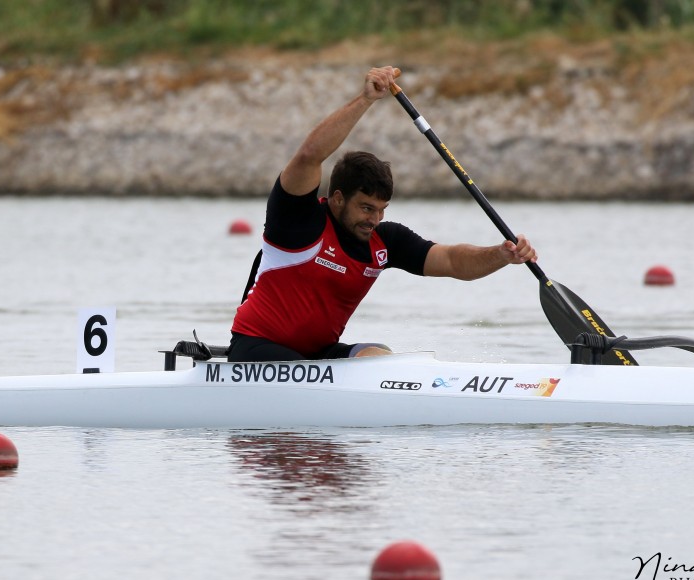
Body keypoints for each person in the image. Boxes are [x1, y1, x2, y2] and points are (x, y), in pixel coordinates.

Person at [228, 66, 537, 362]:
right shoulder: (298, 220)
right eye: (366, 208)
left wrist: (502, 254)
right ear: (337, 199)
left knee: (380, 359)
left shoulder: (385, 242)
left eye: (381, 210)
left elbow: (454, 261)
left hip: (317, 357)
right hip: (257, 349)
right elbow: (309, 155)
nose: (374, 220)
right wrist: (365, 100)